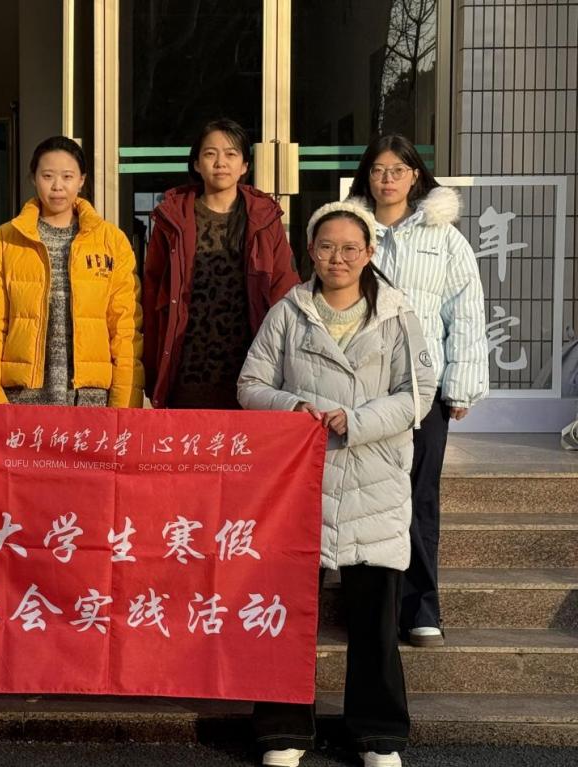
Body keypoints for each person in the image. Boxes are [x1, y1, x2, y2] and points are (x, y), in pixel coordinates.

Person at [238, 200, 436, 767]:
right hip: (299, 483)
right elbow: (251, 384)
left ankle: (378, 734)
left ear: (369, 252)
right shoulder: (289, 312)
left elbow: (418, 394)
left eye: (351, 248)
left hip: (374, 478)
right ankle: (281, 730)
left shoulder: (398, 315)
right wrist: (294, 406)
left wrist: (357, 420)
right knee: (284, 613)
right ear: (311, 251)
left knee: (374, 618)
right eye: (327, 247)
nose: (338, 258)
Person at [347, 134, 488, 647]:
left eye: (398, 170)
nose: (387, 179)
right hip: (361, 389)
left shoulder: (444, 237)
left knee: (418, 494)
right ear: (366, 176)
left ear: (415, 177)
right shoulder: (349, 230)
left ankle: (421, 607)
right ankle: (370, 608)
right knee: (363, 495)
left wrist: (461, 385)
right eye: (378, 170)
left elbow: (465, 312)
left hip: (422, 390)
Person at [0, 135, 143, 407]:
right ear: (33, 178)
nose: (58, 186)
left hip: (92, 400)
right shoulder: (5, 240)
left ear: (81, 180)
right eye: (47, 176)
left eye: (67, 176)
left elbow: (124, 329)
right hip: (22, 400)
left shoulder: (111, 242)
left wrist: (123, 407)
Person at [143, 118, 299, 409]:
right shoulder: (172, 219)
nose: (220, 163)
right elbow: (153, 292)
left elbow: (284, 289)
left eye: (231, 154)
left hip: (250, 366)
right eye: (210, 154)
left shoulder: (264, 219)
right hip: (186, 365)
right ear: (196, 164)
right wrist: (151, 368)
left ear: (244, 166)